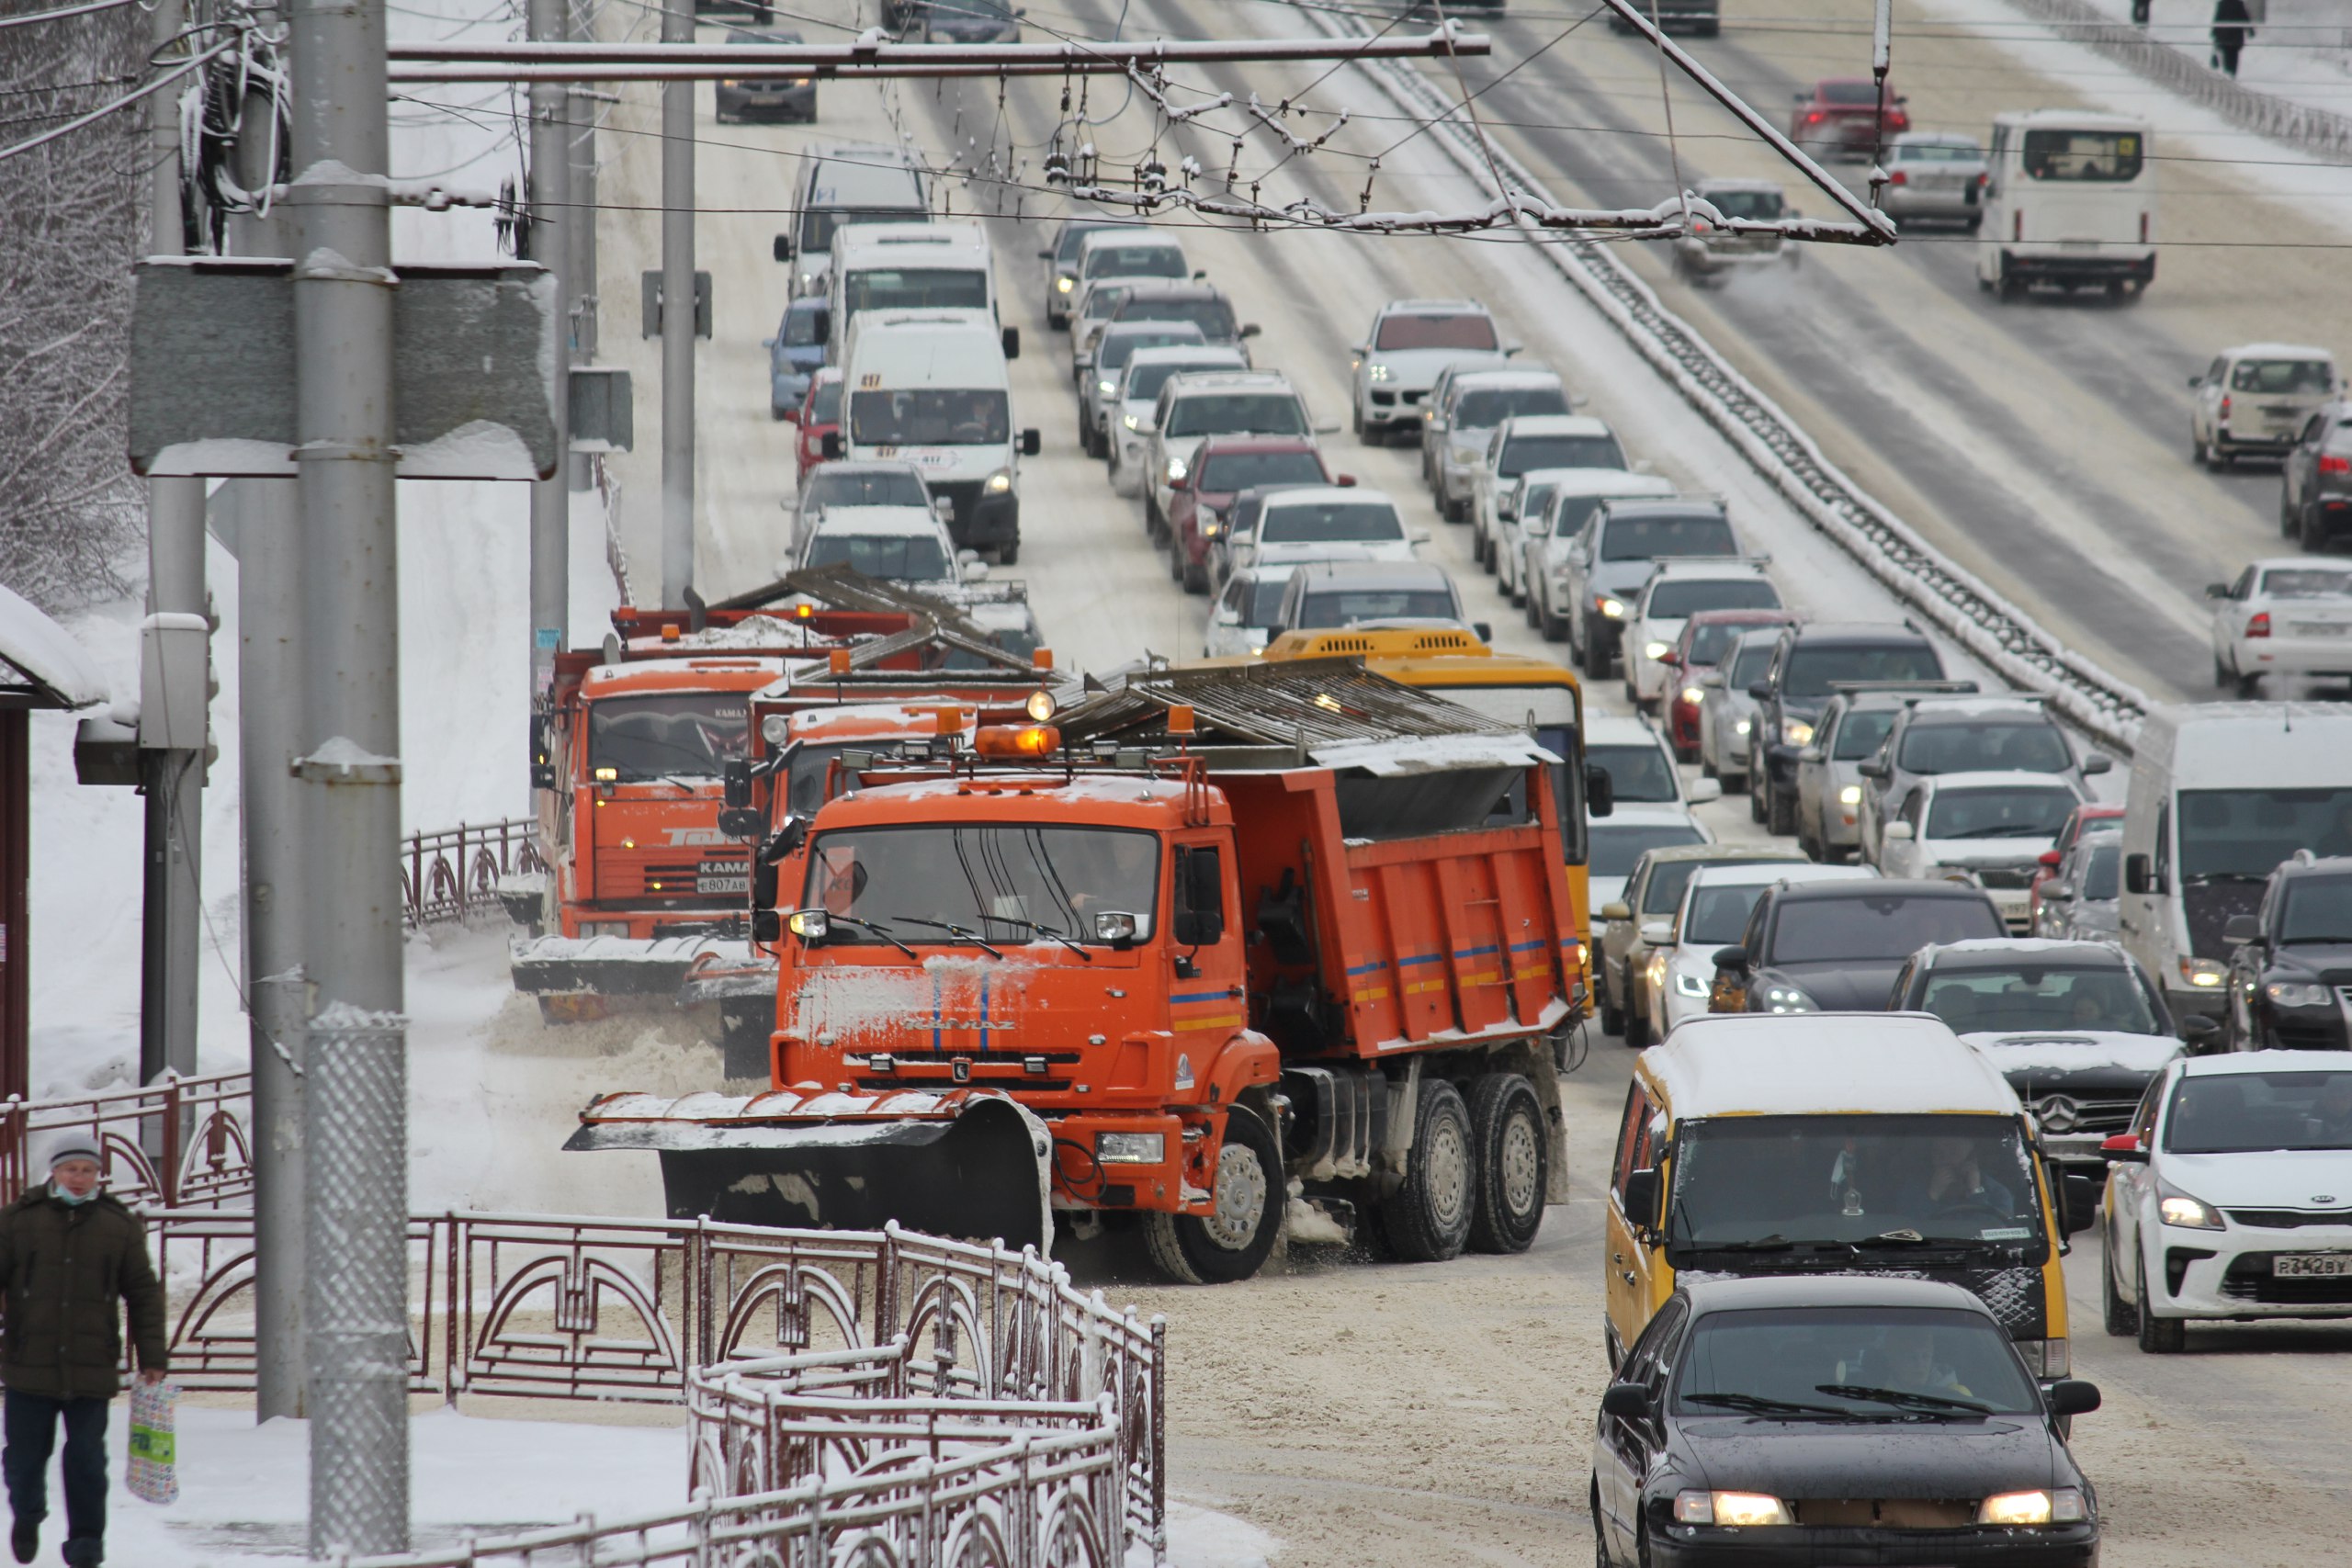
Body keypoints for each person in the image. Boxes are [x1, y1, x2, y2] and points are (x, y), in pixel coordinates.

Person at [0, 1135, 167, 1568]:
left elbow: (144, 1293)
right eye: (71, 1169)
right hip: (28, 1364)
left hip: (91, 1365)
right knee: (23, 1459)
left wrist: (152, 1357)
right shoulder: (17, 1221)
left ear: (99, 1175)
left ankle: (87, 1542)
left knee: (88, 1460)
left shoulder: (119, 1225)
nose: (79, 1178)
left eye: (88, 1170)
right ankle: (28, 1513)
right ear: (54, 1171)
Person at [2211, 0, 2253, 77]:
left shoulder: (2222, 4)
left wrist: (2214, 33)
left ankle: (2228, 72)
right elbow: (2245, 18)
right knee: (2234, 56)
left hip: (2224, 36)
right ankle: (2232, 73)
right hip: (2236, 37)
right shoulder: (2239, 5)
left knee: (2227, 55)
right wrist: (2250, 31)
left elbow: (2217, 19)